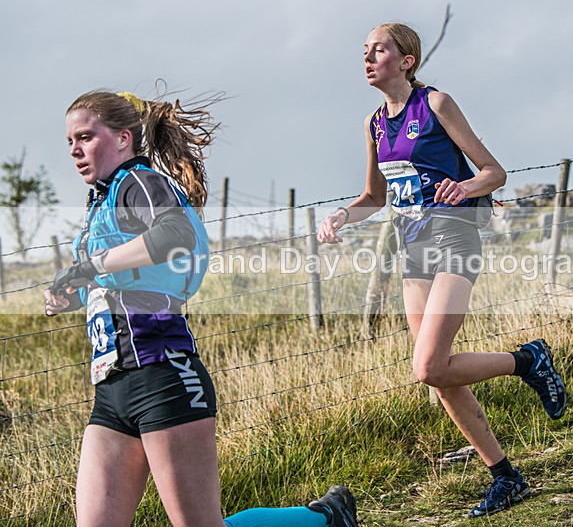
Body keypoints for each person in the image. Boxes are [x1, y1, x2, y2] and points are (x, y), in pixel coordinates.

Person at [44, 90, 357, 527]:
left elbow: (175, 234)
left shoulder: (140, 182)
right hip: (112, 388)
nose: (75, 150)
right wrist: (71, 291)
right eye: (69, 142)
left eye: (85, 137)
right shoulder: (102, 201)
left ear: (122, 138)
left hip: (163, 377)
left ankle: (325, 518)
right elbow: (123, 277)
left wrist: (91, 265)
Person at [317, 23, 567, 518]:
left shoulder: (435, 104)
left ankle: (527, 362)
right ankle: (506, 476)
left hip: (455, 238)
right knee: (440, 374)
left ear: (407, 59)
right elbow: (375, 197)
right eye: (363, 51)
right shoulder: (373, 124)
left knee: (428, 365)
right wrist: (342, 215)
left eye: (379, 50)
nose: (368, 58)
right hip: (414, 252)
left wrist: (466, 187)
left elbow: (493, 171)